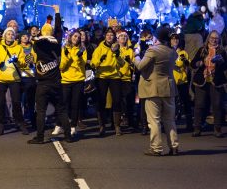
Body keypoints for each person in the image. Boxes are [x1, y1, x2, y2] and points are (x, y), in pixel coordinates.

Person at [28, 5, 73, 144]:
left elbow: (35, 37)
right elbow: (58, 30)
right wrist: (57, 12)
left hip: (42, 83)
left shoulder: (37, 44)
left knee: (41, 111)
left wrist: (45, 25)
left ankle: (40, 137)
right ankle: (68, 136)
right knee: (62, 110)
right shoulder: (57, 43)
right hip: (56, 82)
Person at [134, 27, 179, 156]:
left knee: (154, 120)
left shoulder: (152, 51)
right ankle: (174, 146)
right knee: (169, 119)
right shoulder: (172, 52)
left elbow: (140, 66)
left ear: (157, 37)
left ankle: (156, 148)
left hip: (152, 88)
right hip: (168, 89)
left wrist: (136, 54)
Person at [0, 27, 29, 136]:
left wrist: (18, 61)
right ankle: (0, 125)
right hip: (2, 79)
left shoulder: (18, 48)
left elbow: (23, 63)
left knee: (16, 102)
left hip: (14, 79)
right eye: (8, 34)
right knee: (0, 103)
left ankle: (20, 123)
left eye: (12, 34)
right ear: (4, 36)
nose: (10, 36)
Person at [190, 30, 227, 138]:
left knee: (217, 105)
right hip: (202, 80)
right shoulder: (202, 50)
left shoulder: (221, 51)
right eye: (212, 38)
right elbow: (193, 63)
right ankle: (197, 128)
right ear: (208, 39)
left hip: (216, 81)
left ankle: (217, 129)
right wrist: (200, 62)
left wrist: (221, 62)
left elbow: (225, 66)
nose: (214, 40)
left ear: (219, 39)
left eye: (216, 38)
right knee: (199, 105)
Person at [91, 27, 124, 136]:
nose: (110, 37)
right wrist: (100, 60)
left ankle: (117, 126)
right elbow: (93, 64)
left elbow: (122, 64)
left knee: (117, 100)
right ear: (105, 36)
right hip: (102, 77)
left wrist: (117, 54)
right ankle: (102, 126)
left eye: (111, 35)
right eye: (108, 35)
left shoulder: (117, 48)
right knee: (101, 100)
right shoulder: (99, 49)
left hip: (114, 77)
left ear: (114, 37)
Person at [56, 29, 87, 136]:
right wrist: (68, 57)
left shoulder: (83, 49)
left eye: (78, 37)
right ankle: (59, 125)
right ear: (70, 37)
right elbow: (62, 67)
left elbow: (81, 65)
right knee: (63, 104)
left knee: (75, 104)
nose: (76, 38)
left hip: (78, 80)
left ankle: (73, 126)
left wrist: (76, 58)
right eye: (75, 36)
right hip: (66, 80)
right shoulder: (64, 48)